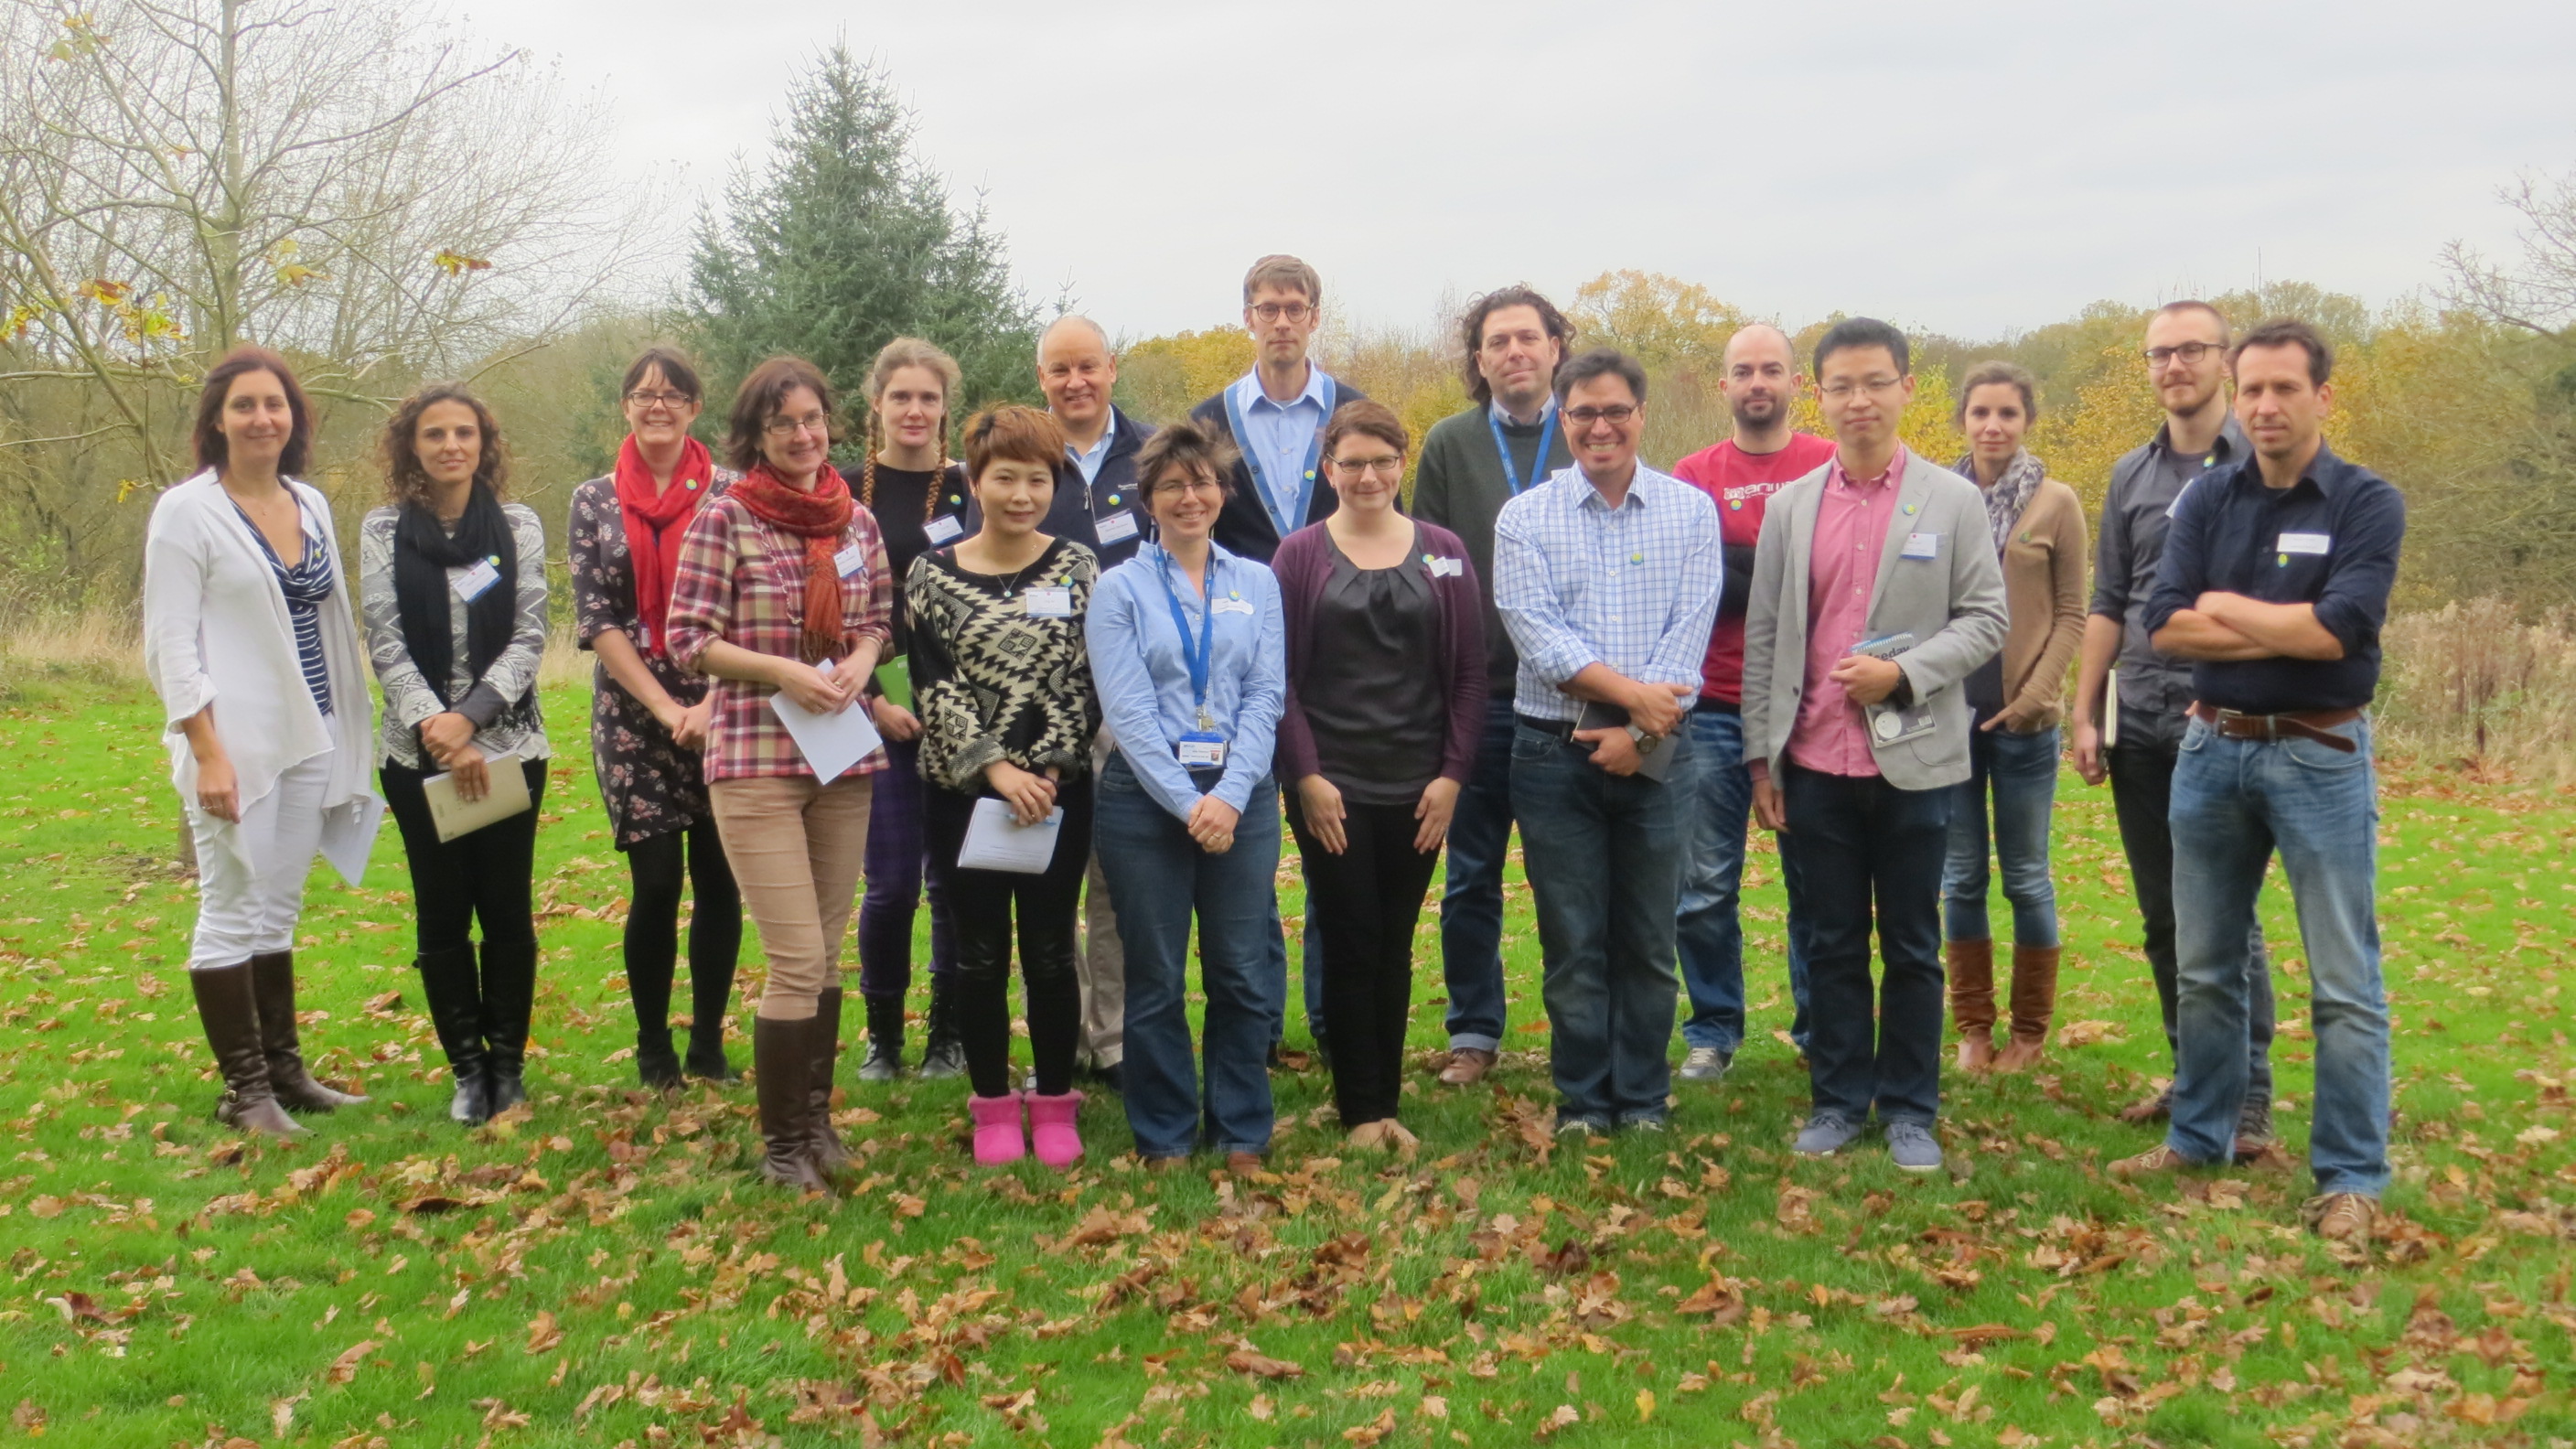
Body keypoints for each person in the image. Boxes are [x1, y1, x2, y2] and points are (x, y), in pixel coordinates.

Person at [2115, 318, 2404, 1244]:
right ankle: (2200, 1136)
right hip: (2210, 752)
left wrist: (2229, 608)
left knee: (2343, 979)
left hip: (2320, 755)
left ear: (2323, 395)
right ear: (2235, 398)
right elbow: (2165, 624)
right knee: (2204, 966)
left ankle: (2350, 1176)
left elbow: (2336, 631)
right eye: (2252, 390)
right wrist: (2283, 623)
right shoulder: (2207, 498)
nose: (2266, 405)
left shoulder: (2366, 502)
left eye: (2284, 388)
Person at [1742, 318, 2006, 1173]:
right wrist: (1762, 757)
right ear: (1819, 396)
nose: (1859, 400)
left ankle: (1910, 1109)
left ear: (1907, 389)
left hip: (1916, 762)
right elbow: (1766, 636)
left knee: (1913, 946)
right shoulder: (1792, 507)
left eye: (1876, 383)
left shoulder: (1952, 501)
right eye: (1842, 386)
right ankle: (1837, 1101)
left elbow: (1986, 620)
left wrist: (1904, 675)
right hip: (1815, 762)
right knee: (1829, 944)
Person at [667, 356, 894, 1191]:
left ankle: (816, 1123)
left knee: (826, 955)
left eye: (812, 419)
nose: (803, 435)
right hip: (757, 760)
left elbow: (877, 621)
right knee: (796, 957)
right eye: (783, 423)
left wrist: (861, 662)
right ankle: (783, 1150)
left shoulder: (855, 520)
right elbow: (687, 639)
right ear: (755, 436)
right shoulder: (725, 518)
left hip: (841, 758)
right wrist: (779, 671)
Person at [143, 347, 380, 1139]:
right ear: (216, 421)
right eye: (243, 405)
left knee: (277, 910)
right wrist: (207, 750)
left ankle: (285, 1074)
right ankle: (244, 1093)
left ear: (294, 418)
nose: (261, 418)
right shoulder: (187, 512)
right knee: (231, 908)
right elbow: (170, 645)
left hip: (314, 734)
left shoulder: (309, 503)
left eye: (274, 404)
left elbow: (326, 618)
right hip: (238, 743)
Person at [1494, 348, 1720, 1137]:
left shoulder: (1691, 513)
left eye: (1616, 411)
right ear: (1563, 419)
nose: (1601, 427)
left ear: (1641, 416)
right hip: (1552, 757)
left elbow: (1688, 637)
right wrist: (1629, 706)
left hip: (1660, 754)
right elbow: (1538, 638)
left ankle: (1643, 1097)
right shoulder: (1524, 519)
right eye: (1584, 412)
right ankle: (1584, 1101)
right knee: (1574, 941)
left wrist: (1637, 734)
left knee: (1650, 938)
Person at [2071, 301, 2279, 1149]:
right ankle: (2195, 1075)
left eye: (2191, 350)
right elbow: (2109, 600)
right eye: (2159, 354)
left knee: (2227, 918)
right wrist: (2085, 710)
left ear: (2224, 360)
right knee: (2164, 918)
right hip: (2142, 724)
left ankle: (2249, 1097)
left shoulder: (2264, 462)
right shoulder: (2132, 474)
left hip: (2230, 721)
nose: (2174, 366)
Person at [1274, 402, 1487, 1151]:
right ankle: (1361, 1112)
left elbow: (1469, 675)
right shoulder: (1299, 556)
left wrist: (1452, 776)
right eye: (1353, 462)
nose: (1368, 476)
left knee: (1394, 942)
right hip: (1331, 787)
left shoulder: (1444, 552)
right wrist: (1306, 775)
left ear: (1403, 464)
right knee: (1350, 935)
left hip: (1419, 788)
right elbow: (1279, 680)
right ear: (1329, 469)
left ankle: (1382, 1101)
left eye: (1383, 461)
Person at [1086, 419, 1286, 1174]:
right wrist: (1187, 802)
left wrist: (1228, 796)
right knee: (1155, 973)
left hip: (1241, 796)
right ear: (1149, 501)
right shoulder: (1119, 589)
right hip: (1144, 800)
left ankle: (1241, 1129)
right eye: (1172, 485)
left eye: (1202, 482)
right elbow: (1128, 710)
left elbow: (1265, 695)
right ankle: (1165, 1131)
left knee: (1240, 969)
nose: (1189, 497)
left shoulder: (1257, 583)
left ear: (1222, 492)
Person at [908, 405, 1101, 1166]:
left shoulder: (1078, 567)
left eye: (1037, 480)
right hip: (963, 797)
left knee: (1051, 950)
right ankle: (992, 1104)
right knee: (979, 953)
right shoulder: (932, 574)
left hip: (1057, 795)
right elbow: (934, 682)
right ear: (975, 481)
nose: (1022, 495)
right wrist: (994, 769)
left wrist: (1047, 768)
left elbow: (1087, 676)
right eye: (1005, 478)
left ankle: (1054, 1102)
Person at [1186, 255, 1368, 1060]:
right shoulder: (1209, 422)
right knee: (1248, 854)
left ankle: (1334, 1024)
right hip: (1237, 662)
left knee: (1336, 849)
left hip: (1341, 662)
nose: (1283, 321)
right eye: (1269, 308)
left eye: (1296, 307)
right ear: (1248, 318)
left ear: (1316, 316)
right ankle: (1256, 1026)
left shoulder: (1355, 414)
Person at [361, 384, 550, 1128]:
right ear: (412, 446)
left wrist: (470, 720)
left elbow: (530, 633)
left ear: (483, 443)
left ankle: (508, 1068)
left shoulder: (518, 525)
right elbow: (384, 639)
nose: (451, 446)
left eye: (464, 432)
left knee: (506, 908)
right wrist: (437, 726)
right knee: (441, 911)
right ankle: (468, 1071)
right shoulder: (384, 529)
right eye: (434, 434)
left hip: (510, 746)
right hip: (417, 755)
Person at [565, 347, 745, 1088]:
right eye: (643, 394)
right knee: (659, 880)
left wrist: (709, 702)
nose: (658, 405)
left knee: (719, 881)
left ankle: (707, 1044)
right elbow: (596, 617)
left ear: (695, 407)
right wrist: (667, 706)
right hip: (633, 713)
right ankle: (652, 1047)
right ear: (626, 408)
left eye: (673, 394)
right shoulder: (594, 500)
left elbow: (752, 607)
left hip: (724, 705)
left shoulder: (733, 493)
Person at [1411, 285, 1574, 1087]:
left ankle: (1577, 1028)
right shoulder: (1450, 443)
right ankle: (1473, 1032)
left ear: (1555, 348)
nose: (1515, 352)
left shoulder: (1587, 432)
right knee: (1471, 876)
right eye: (1498, 342)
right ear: (1478, 359)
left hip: (1567, 700)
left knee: (1563, 877)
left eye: (1528, 338)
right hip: (1477, 698)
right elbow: (1428, 563)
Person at [1669, 323, 1837, 1081]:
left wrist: (1745, 562)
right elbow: (1702, 582)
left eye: (1772, 369)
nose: (1758, 382)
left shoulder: (1829, 463)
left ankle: (1820, 1029)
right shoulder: (1692, 474)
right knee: (1705, 885)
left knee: (1817, 881)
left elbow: (1833, 579)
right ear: (1724, 385)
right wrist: (1775, 562)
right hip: (1712, 703)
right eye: (1744, 371)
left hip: (1808, 706)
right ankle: (1713, 1030)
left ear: (1796, 383)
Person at [1941, 362, 2087, 1073]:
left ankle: (2029, 1034)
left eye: (2007, 413)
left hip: (2026, 724)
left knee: (2026, 877)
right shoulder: (1938, 498)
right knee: (1961, 878)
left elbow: (2073, 613)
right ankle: (1973, 1028)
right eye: (1981, 413)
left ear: (2028, 420)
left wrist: (2037, 695)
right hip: (1951, 720)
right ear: (1963, 420)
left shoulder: (2056, 502)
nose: (1993, 426)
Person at [1035, 316, 1159, 1091]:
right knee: (1049, 875)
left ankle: (1113, 1036)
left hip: (1133, 698)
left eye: (1088, 365)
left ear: (1112, 367)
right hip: (1042, 702)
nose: (1075, 381)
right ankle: (1066, 1028)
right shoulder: (1022, 457)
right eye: (1060, 370)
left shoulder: (1153, 453)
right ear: (1041, 379)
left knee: (1117, 879)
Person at [851, 338, 972, 1082]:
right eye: (902, 397)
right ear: (878, 405)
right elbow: (821, 608)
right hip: (872, 713)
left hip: (958, 713)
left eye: (929, 397)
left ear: (945, 407)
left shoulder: (969, 489)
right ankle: (883, 1036)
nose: (915, 410)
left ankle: (948, 1035)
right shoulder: (841, 489)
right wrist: (872, 698)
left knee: (952, 883)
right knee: (890, 885)